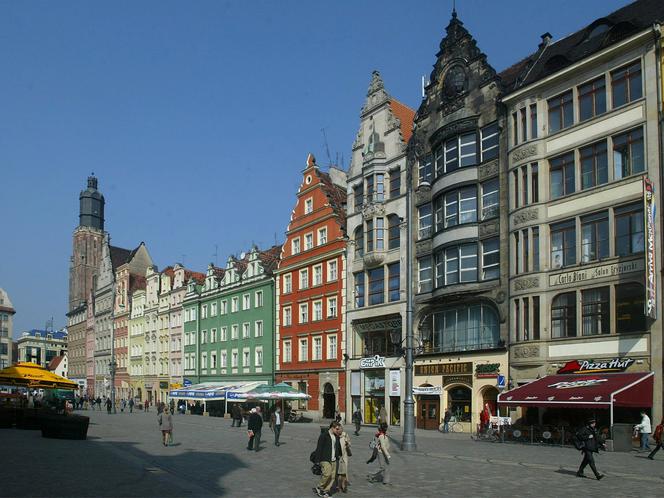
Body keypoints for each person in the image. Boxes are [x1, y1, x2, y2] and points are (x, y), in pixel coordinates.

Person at [313, 421, 343, 498]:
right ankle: (319, 487)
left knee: (332, 477)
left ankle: (326, 491)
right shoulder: (324, 436)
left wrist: (339, 455)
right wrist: (317, 461)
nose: (338, 430)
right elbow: (319, 448)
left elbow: (337, 447)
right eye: (337, 429)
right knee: (327, 474)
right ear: (332, 428)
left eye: (338, 429)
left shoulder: (336, 436)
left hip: (334, 459)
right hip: (325, 458)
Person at [336, 426, 352, 493]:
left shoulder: (345, 435)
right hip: (338, 456)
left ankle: (344, 485)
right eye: (338, 429)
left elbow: (349, 443)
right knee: (338, 472)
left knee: (344, 472)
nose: (340, 430)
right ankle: (339, 485)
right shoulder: (335, 436)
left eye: (340, 429)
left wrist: (347, 444)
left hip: (344, 456)